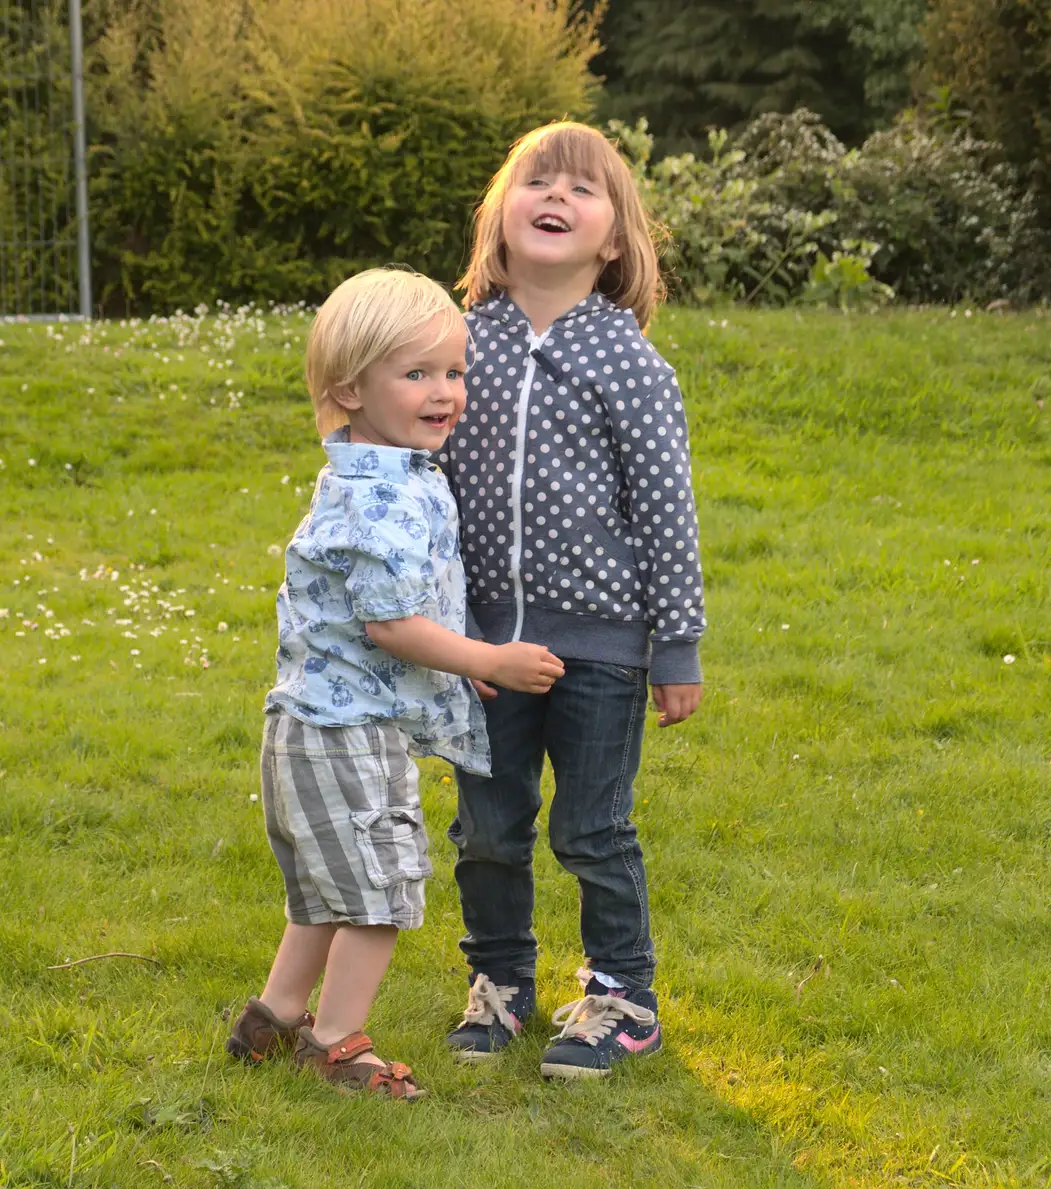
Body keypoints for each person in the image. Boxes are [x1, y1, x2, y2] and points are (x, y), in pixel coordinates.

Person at [226, 267, 564, 1100]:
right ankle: (338, 1041)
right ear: (350, 387)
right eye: (417, 375)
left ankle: (274, 1015)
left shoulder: (376, 470)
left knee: (328, 890)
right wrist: (487, 659)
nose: (445, 391)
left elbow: (401, 608)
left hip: (313, 724)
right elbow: (388, 624)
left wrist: (455, 666)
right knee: (379, 893)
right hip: (346, 733)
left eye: (453, 371)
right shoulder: (383, 496)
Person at [437, 122, 708, 1079]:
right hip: (481, 651)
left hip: (600, 648)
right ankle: (502, 981)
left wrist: (675, 646)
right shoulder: (457, 346)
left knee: (593, 827)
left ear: (616, 239)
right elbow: (418, 474)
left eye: (582, 190)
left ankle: (621, 996)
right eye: (536, 181)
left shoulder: (630, 363)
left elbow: (667, 511)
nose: (556, 195)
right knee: (488, 827)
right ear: (499, 221)